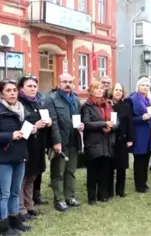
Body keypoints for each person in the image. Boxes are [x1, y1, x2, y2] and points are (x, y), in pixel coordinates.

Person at [45, 73, 83, 212]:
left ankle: (70, 196)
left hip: (73, 140)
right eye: (64, 81)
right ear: (58, 83)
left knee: (71, 170)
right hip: (60, 140)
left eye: (70, 82)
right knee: (58, 172)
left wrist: (81, 126)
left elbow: (78, 118)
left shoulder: (75, 100)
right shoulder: (51, 99)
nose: (68, 84)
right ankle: (59, 199)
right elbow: (53, 122)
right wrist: (56, 142)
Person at [0, 79, 32, 234]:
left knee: (15, 191)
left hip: (20, 156)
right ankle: (4, 226)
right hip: (4, 158)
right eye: (8, 90)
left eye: (14, 90)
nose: (12, 93)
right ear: (1, 94)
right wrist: (10, 135)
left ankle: (15, 221)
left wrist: (30, 131)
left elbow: (23, 130)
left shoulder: (22, 110)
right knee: (4, 194)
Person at [17, 75, 51, 221]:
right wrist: (34, 126)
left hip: (37, 145)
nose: (32, 89)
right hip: (24, 145)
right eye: (29, 86)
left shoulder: (37, 103)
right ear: (22, 88)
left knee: (32, 175)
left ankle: (29, 204)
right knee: (23, 178)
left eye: (34, 86)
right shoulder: (19, 104)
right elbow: (18, 127)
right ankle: (20, 208)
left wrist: (48, 123)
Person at [81, 81, 118, 205]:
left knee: (105, 170)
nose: (99, 90)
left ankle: (103, 195)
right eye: (96, 88)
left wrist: (111, 127)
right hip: (94, 142)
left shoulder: (107, 104)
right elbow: (87, 123)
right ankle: (92, 197)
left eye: (101, 88)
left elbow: (116, 121)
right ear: (91, 91)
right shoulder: (87, 106)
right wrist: (104, 124)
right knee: (93, 171)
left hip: (107, 142)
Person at [129, 77, 151, 193]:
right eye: (143, 85)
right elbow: (130, 119)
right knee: (139, 160)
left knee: (146, 159)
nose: (145, 87)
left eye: (147, 86)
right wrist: (141, 118)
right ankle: (139, 184)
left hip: (150, 135)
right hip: (139, 134)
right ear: (138, 86)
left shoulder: (150, 99)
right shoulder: (132, 99)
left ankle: (144, 182)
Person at [108, 83, 134, 197]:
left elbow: (130, 123)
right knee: (110, 166)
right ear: (112, 92)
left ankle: (120, 190)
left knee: (122, 166)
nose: (118, 92)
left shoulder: (126, 106)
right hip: (110, 138)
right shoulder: (107, 105)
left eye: (120, 90)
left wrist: (130, 139)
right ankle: (109, 191)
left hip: (123, 139)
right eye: (116, 90)